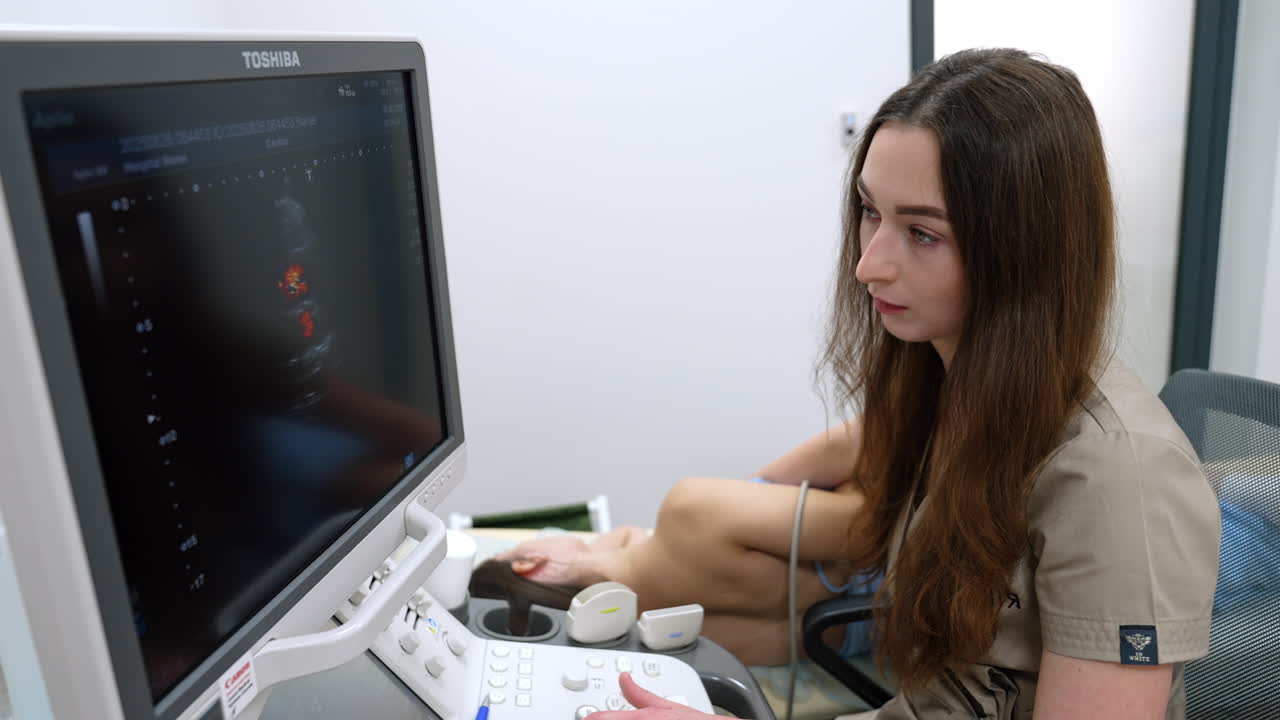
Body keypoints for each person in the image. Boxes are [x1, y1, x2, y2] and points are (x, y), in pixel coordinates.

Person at [494, 48, 1222, 719]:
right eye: (870, 212)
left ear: (1022, 253)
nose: (867, 263)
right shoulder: (952, 389)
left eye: (921, 233)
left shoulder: (1118, 481)